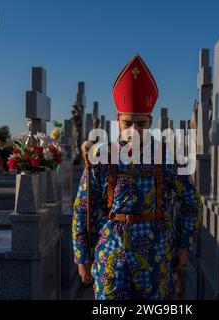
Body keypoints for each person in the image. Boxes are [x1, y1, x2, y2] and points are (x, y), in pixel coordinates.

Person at [72, 54, 202, 300]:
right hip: (110, 256)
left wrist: (185, 246)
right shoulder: (101, 156)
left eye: (141, 123)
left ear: (150, 121)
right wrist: (82, 256)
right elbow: (83, 207)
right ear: (117, 120)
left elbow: (191, 201)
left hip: (157, 257)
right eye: (127, 123)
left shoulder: (167, 155)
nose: (134, 131)